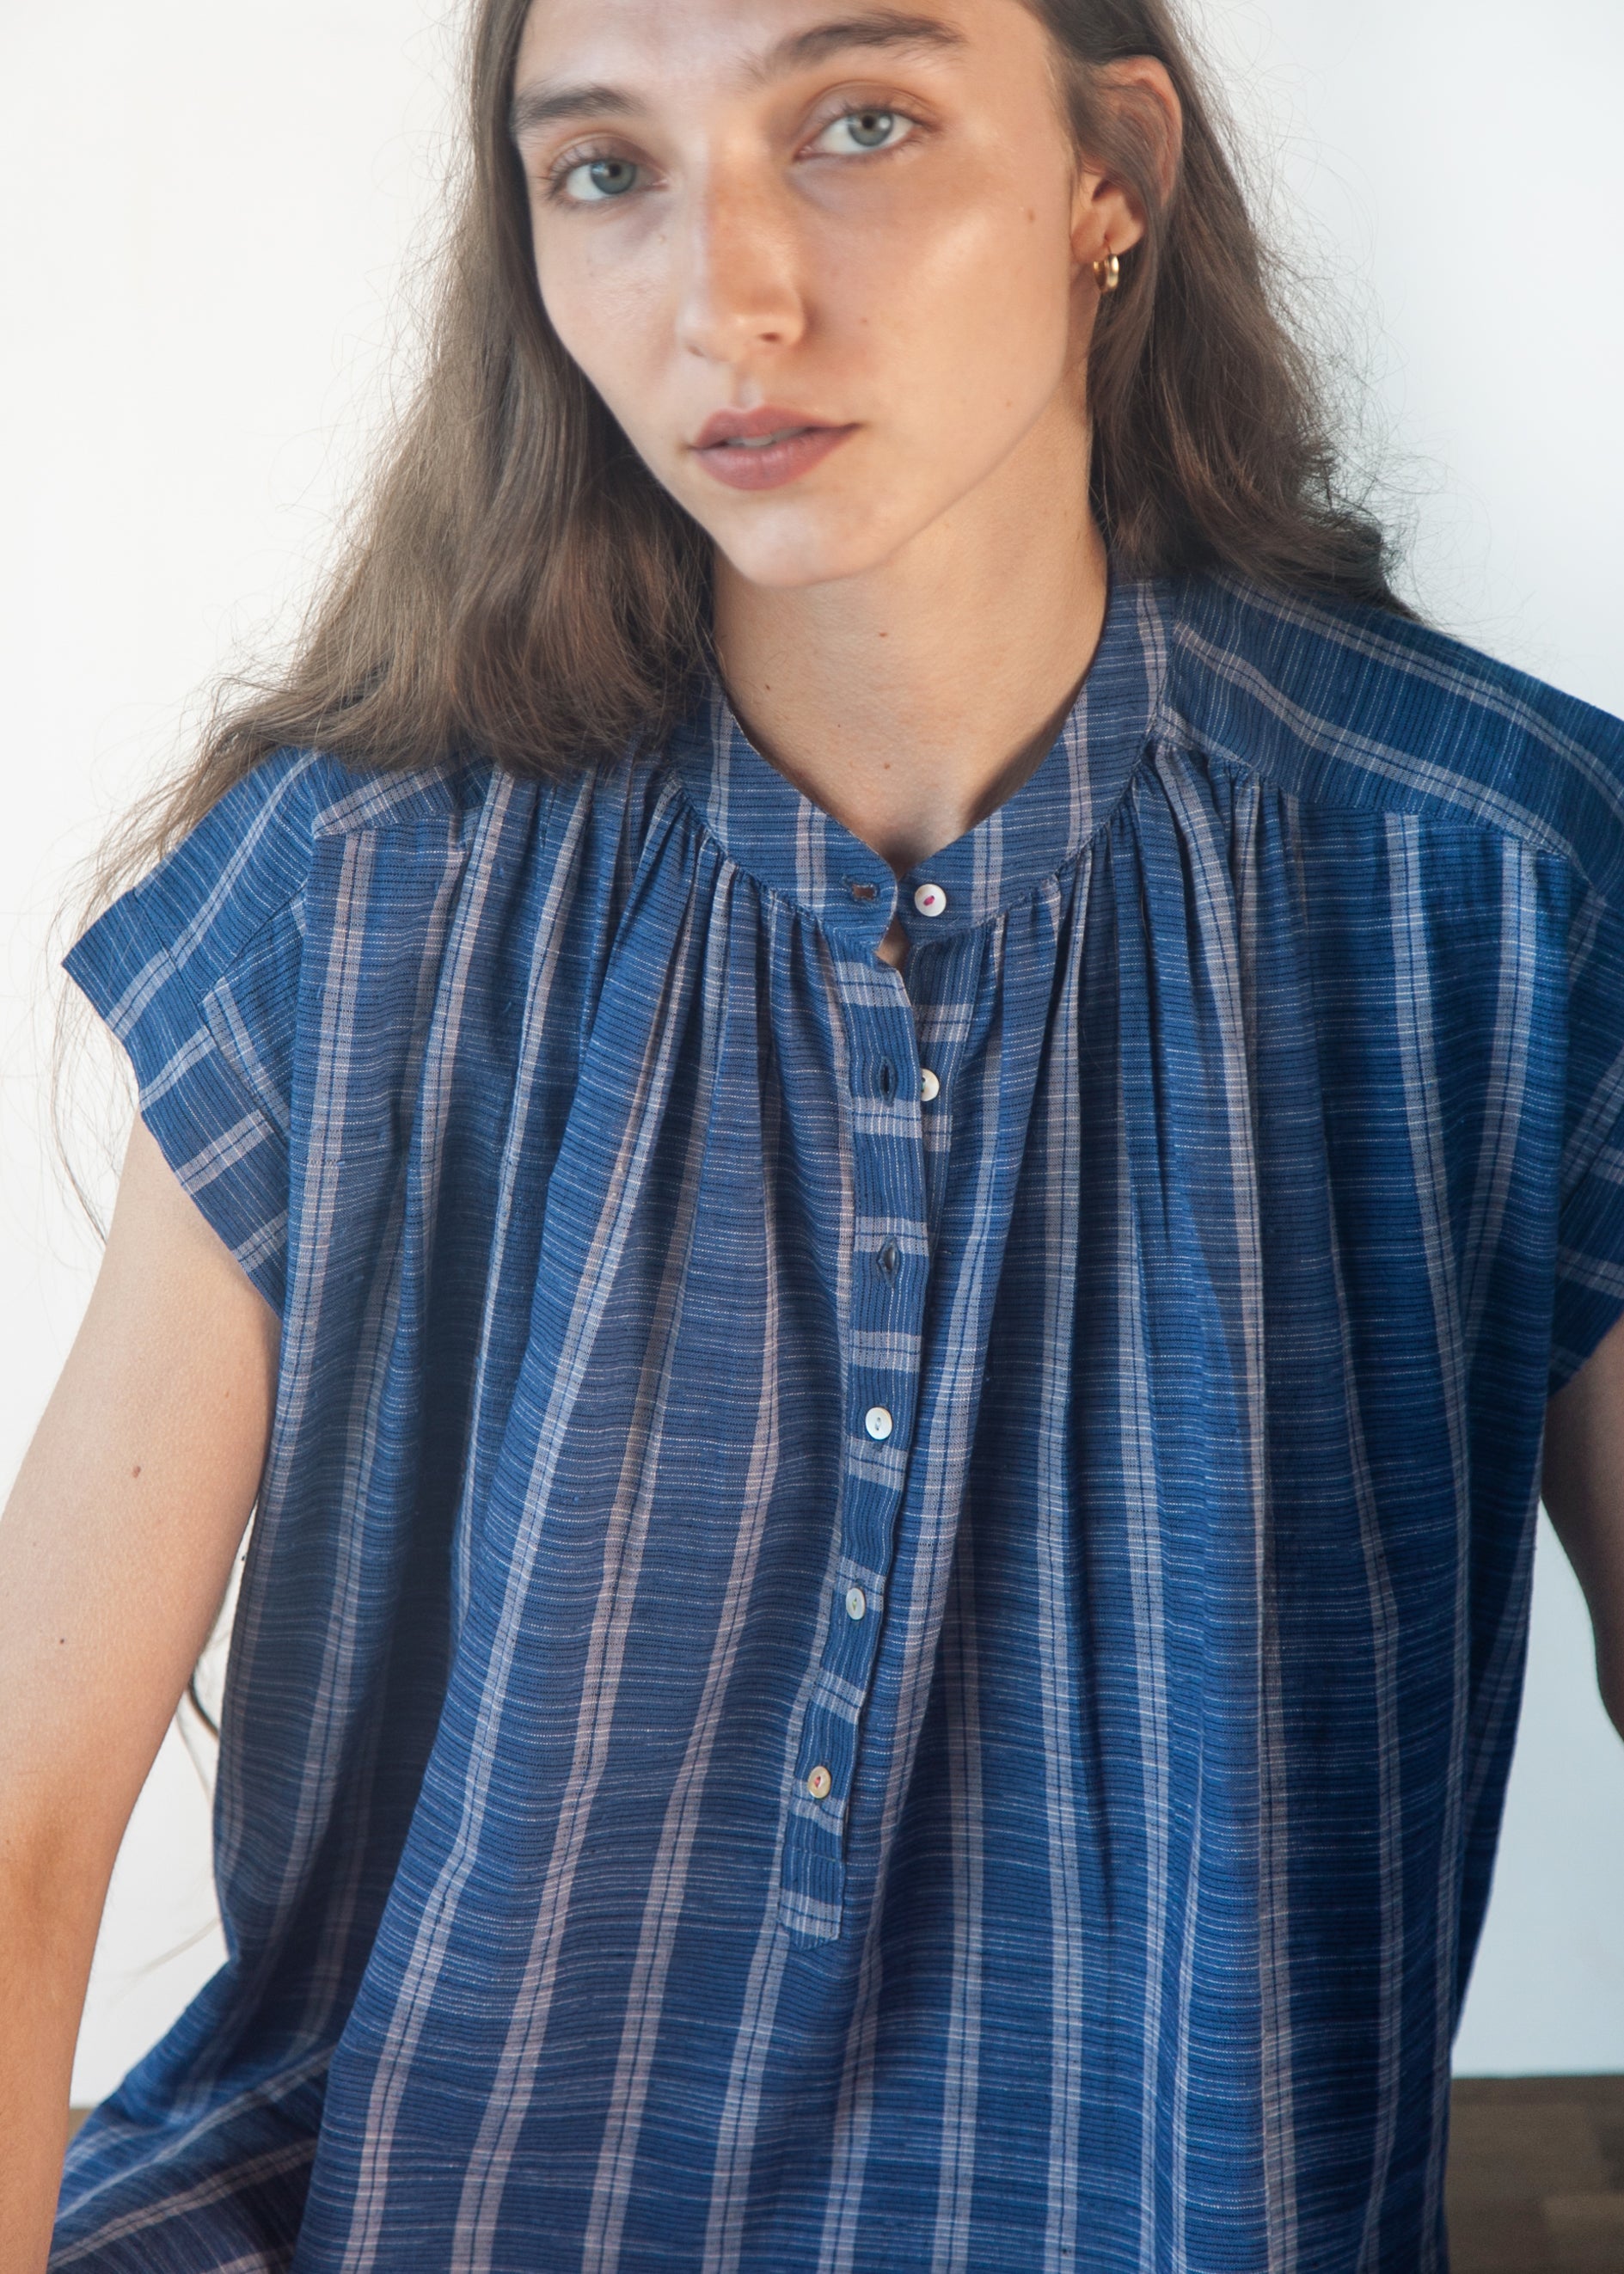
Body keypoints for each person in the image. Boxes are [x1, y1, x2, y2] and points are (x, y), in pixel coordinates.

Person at [3, 0, 1621, 2265]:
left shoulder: (1499, 884)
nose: (726, 297)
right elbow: (25, 1807)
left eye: (857, 123)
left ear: (1113, 174)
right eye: (607, 171)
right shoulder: (358, 891)